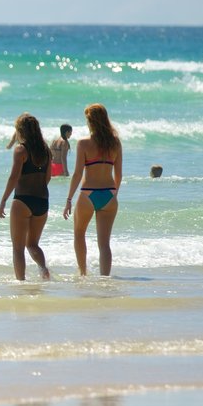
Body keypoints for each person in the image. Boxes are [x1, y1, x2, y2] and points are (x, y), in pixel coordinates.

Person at [63, 103, 123, 276]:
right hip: (109, 195)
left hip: (88, 194)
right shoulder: (115, 143)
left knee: (79, 233)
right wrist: (114, 194)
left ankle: (83, 274)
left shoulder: (83, 143)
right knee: (104, 244)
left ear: (90, 122)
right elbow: (119, 174)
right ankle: (105, 278)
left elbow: (77, 174)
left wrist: (68, 199)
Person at [0, 113, 52, 281]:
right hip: (42, 201)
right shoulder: (46, 150)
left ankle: (20, 282)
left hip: (23, 200)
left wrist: (3, 200)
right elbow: (48, 177)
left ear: (21, 130)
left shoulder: (21, 149)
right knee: (33, 244)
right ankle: (43, 271)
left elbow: (14, 177)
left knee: (18, 248)